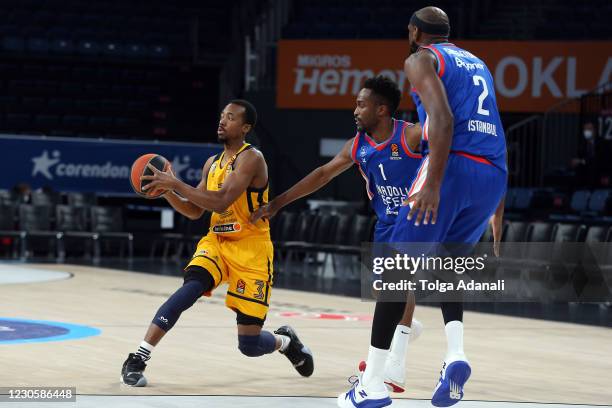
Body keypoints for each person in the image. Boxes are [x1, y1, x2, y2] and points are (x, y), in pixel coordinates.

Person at [338, 7, 507, 408]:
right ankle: (455, 354)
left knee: (395, 274)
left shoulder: (420, 58)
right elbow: (494, 130)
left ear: (414, 32)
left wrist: (432, 183)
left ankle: (372, 386)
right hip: (493, 173)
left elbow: (443, 122)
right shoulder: (478, 63)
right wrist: (500, 208)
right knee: (449, 267)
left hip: (452, 166)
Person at [120, 99, 314, 387]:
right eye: (222, 115)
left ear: (245, 127)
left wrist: (175, 184)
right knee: (190, 289)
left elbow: (222, 199)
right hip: (218, 242)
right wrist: (166, 191)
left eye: (232, 118)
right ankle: (138, 357)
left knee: (248, 344)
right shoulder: (212, 163)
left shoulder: (252, 159)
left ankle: (285, 342)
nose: (223, 121)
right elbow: (195, 210)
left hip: (251, 248)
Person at [251, 75, 424, 393]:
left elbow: (446, 146)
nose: (355, 110)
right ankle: (405, 328)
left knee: (397, 283)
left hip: (419, 221)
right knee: (388, 291)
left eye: (361, 104)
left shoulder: (411, 135)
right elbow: (321, 175)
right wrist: (277, 203)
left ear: (382, 109)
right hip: (385, 224)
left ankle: (393, 363)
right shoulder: (359, 146)